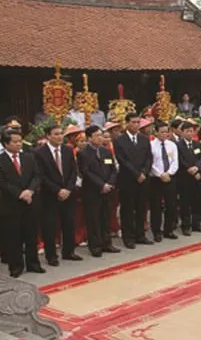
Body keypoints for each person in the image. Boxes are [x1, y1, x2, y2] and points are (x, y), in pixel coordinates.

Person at [0, 129, 43, 277]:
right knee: (14, 237)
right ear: (6, 143)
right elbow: (0, 182)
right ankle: (16, 266)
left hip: (30, 202)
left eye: (20, 141)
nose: (19, 144)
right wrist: (20, 194)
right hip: (11, 204)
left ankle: (33, 263)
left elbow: (36, 176)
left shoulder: (29, 157)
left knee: (31, 235)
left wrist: (30, 191)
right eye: (15, 142)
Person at [34, 125, 81, 265]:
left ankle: (69, 251)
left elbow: (73, 171)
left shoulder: (67, 150)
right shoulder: (39, 152)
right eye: (56, 134)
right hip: (50, 195)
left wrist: (68, 188)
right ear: (48, 136)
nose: (60, 136)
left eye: (61, 133)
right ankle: (51, 255)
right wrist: (57, 190)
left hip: (68, 193)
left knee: (69, 223)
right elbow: (41, 175)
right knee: (50, 226)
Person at [77, 125, 120, 258]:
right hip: (92, 191)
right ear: (89, 138)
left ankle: (107, 243)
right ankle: (95, 246)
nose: (100, 138)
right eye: (97, 136)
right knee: (93, 219)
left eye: (101, 135)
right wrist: (101, 184)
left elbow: (113, 169)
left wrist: (110, 183)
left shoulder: (106, 151)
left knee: (105, 217)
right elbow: (86, 172)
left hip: (107, 190)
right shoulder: (83, 153)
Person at [113, 113, 153, 247]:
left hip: (143, 178)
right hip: (128, 179)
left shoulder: (144, 139)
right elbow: (122, 160)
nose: (136, 125)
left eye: (138, 122)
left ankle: (140, 234)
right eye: (133, 122)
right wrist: (136, 174)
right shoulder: (119, 140)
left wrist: (144, 172)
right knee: (128, 209)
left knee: (141, 208)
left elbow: (149, 158)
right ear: (127, 123)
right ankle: (128, 237)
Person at [149, 121, 179, 242]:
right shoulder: (151, 145)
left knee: (171, 205)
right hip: (156, 179)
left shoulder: (172, 145)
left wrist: (169, 173)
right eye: (162, 132)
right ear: (156, 132)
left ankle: (169, 229)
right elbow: (150, 163)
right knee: (156, 206)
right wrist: (160, 174)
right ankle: (156, 231)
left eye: (166, 132)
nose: (165, 134)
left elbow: (175, 161)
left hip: (170, 177)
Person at [176, 122, 201, 235]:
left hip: (197, 176)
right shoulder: (178, 145)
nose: (189, 133)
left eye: (191, 131)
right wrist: (190, 169)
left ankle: (196, 224)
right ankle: (186, 226)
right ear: (182, 132)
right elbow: (180, 160)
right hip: (185, 177)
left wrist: (197, 168)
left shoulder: (197, 144)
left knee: (197, 201)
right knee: (185, 203)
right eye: (187, 131)